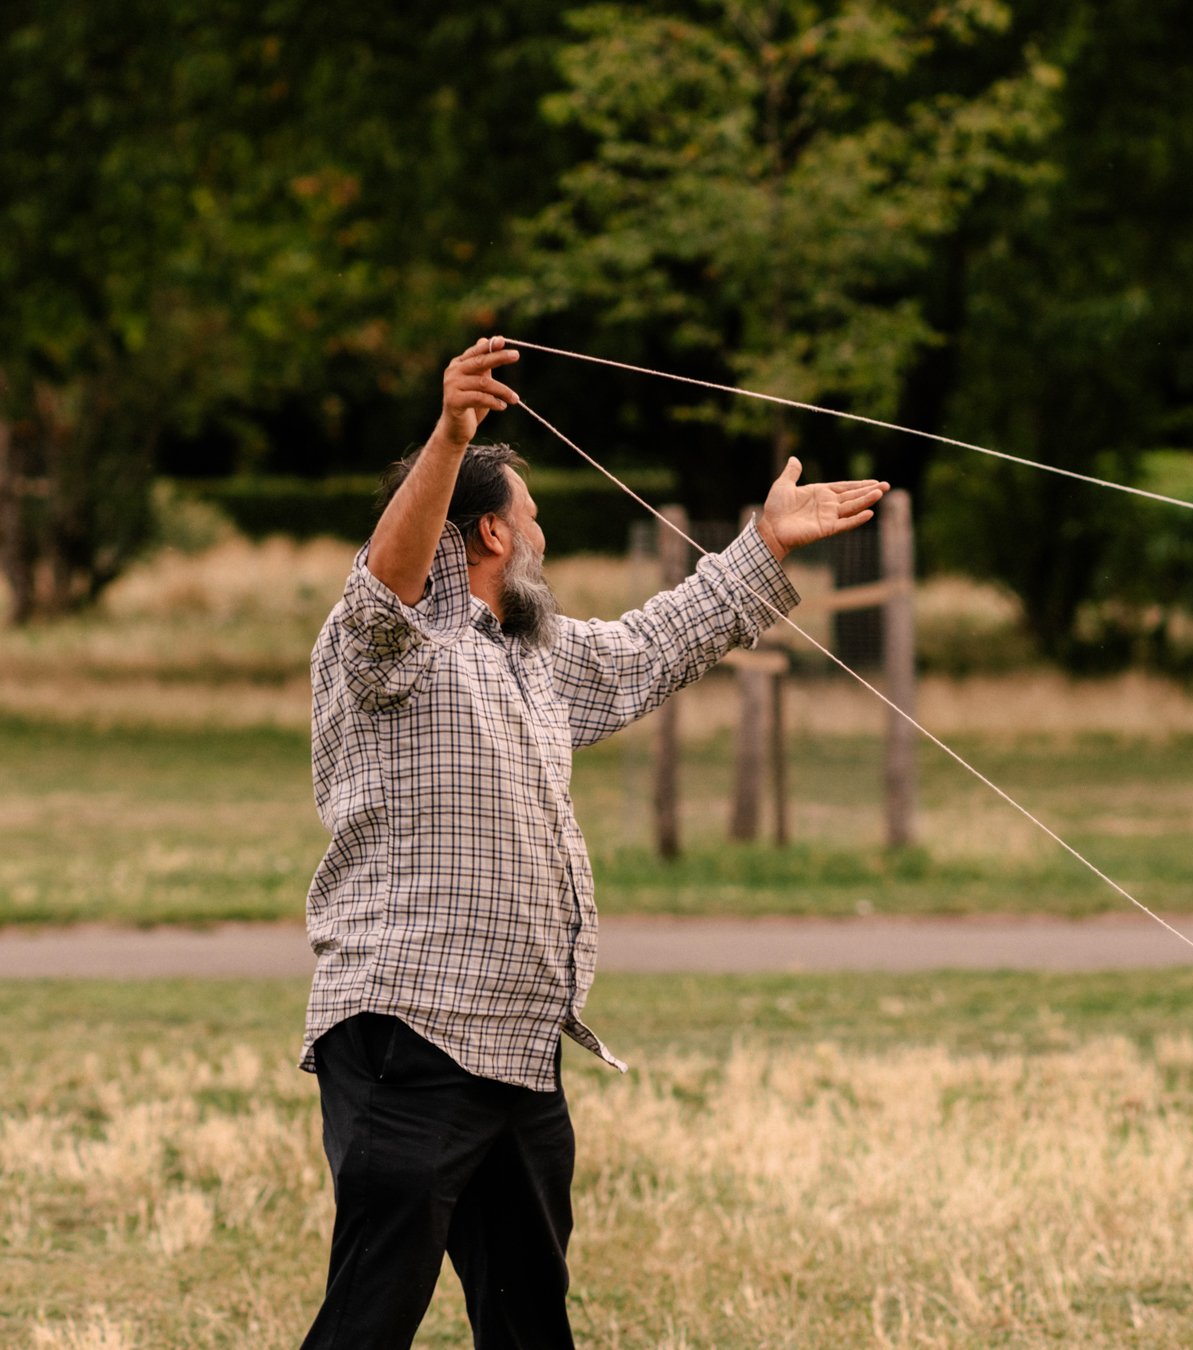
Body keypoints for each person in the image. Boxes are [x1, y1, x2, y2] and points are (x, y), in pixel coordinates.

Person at [296, 336, 887, 1348]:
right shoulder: (385, 651)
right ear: (487, 531)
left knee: (532, 1323)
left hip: (519, 1052)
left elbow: (657, 644)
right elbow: (382, 585)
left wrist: (767, 544)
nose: (542, 539)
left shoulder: (537, 655)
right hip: (411, 1037)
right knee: (368, 1322)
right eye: (532, 523)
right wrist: (448, 433)